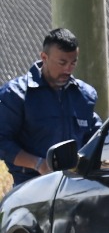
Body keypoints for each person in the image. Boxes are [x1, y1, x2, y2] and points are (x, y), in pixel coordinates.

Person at [0, 28, 102, 187]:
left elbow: (97, 136)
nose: (68, 69)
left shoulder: (84, 95)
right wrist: (39, 164)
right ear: (44, 57)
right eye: (62, 63)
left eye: (73, 62)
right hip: (31, 187)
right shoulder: (15, 94)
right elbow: (2, 141)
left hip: (76, 187)